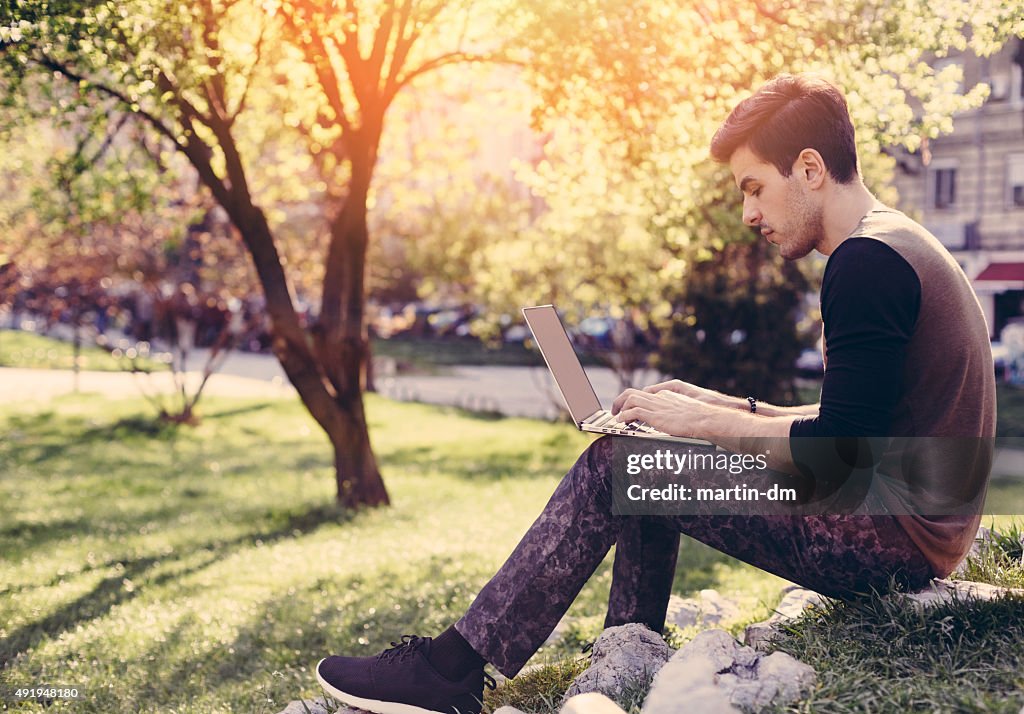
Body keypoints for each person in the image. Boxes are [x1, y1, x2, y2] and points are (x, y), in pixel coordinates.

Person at [313, 73, 995, 714]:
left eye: (755, 188)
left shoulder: (865, 263)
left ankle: (451, 671)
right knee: (646, 455)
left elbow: (841, 451)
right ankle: (629, 648)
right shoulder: (891, 241)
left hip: (892, 540)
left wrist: (699, 420)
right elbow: (861, 423)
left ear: (810, 170)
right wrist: (726, 410)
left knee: (619, 465)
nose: (748, 213)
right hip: (906, 523)